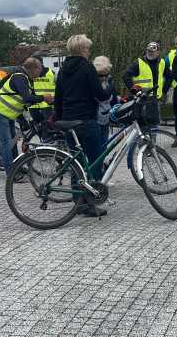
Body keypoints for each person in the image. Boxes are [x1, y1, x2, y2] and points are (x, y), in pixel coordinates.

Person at [55, 34, 111, 217]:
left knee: (76, 161)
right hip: (86, 119)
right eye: (87, 48)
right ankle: (91, 200)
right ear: (83, 49)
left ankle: (78, 201)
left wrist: (59, 118)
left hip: (69, 121)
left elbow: (58, 98)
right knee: (96, 160)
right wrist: (109, 87)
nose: (89, 51)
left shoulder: (63, 69)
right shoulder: (87, 68)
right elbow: (100, 95)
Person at [0, 57, 53, 175]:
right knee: (7, 143)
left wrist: (51, 101)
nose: (41, 72)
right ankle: (11, 173)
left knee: (13, 142)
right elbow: (27, 98)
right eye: (40, 69)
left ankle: (15, 167)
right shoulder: (20, 77)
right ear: (33, 69)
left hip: (9, 114)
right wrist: (44, 97)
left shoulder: (28, 79)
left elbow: (30, 100)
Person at [93, 56, 119, 147]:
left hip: (106, 118)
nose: (103, 78)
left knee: (104, 145)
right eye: (100, 75)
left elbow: (114, 99)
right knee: (95, 147)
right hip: (94, 119)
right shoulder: (91, 81)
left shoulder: (110, 81)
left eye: (106, 74)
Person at [29, 52, 56, 124]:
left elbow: (60, 87)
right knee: (38, 126)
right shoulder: (30, 74)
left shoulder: (51, 73)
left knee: (50, 126)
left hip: (48, 104)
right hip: (34, 105)